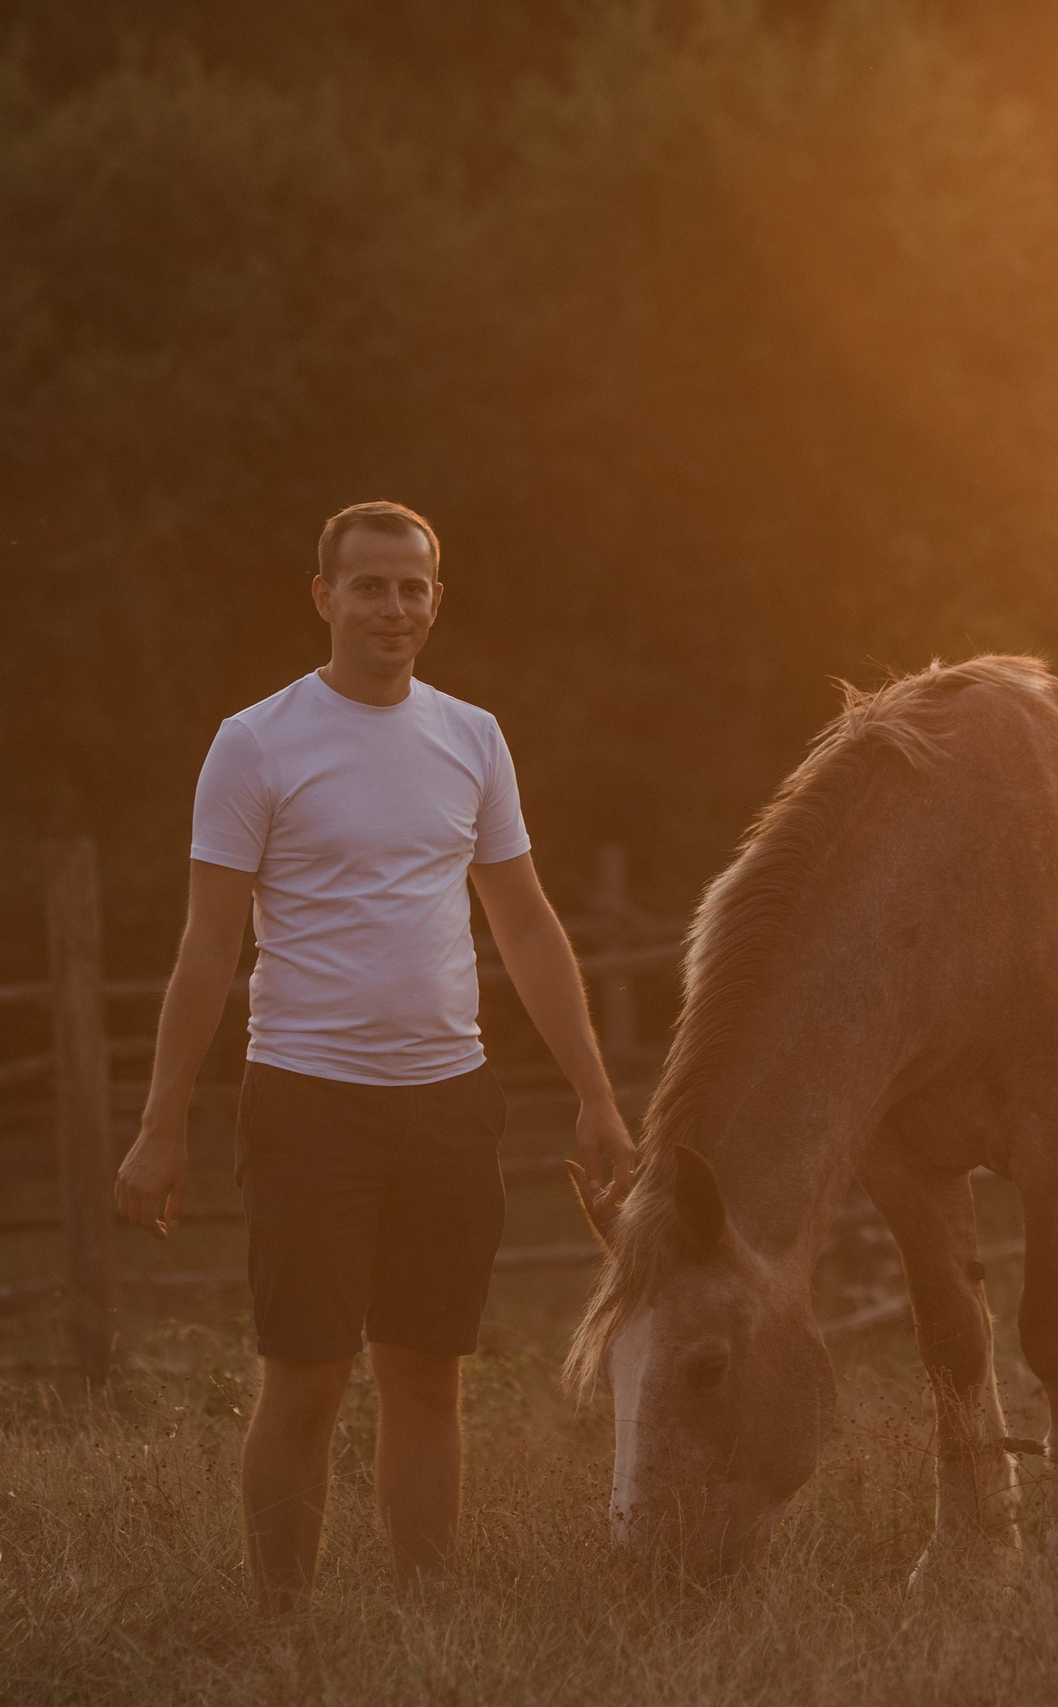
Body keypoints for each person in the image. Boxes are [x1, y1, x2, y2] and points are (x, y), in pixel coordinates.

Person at [114, 500, 637, 1611]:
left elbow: (528, 925)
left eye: (414, 587)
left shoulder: (472, 735)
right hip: (307, 1103)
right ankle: (280, 1629)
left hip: (450, 1103)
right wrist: (162, 1122)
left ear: (435, 601)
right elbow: (207, 946)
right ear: (324, 597)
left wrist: (596, 1095)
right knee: (304, 1379)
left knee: (426, 1376)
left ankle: (424, 1621)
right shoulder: (257, 741)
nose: (393, 606)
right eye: (370, 585)